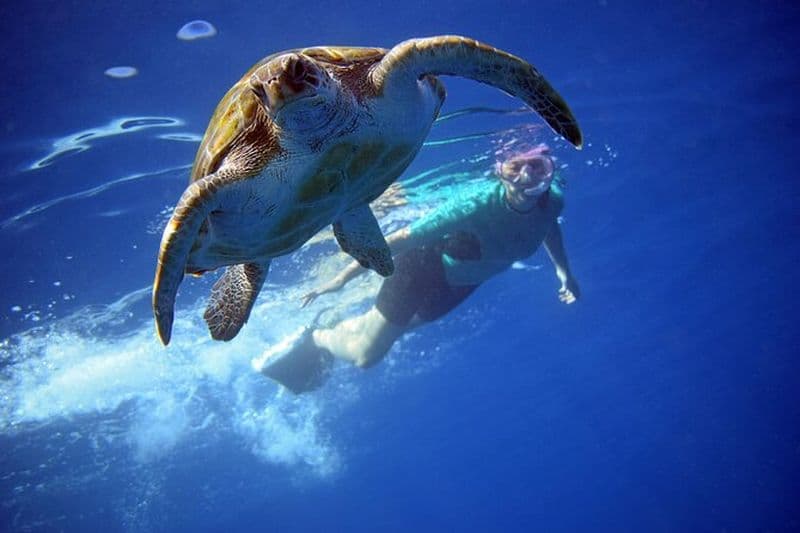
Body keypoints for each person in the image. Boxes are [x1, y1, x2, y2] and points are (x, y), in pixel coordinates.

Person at [253, 143, 580, 393]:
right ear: (500, 172)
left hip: (461, 285)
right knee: (367, 356)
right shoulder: (475, 206)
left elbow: (547, 227)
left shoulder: (553, 202)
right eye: (515, 167)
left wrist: (563, 272)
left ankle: (333, 327)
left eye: (536, 167)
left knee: (388, 330)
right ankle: (317, 338)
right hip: (423, 267)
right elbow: (400, 240)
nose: (525, 177)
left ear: (549, 171)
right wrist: (341, 278)